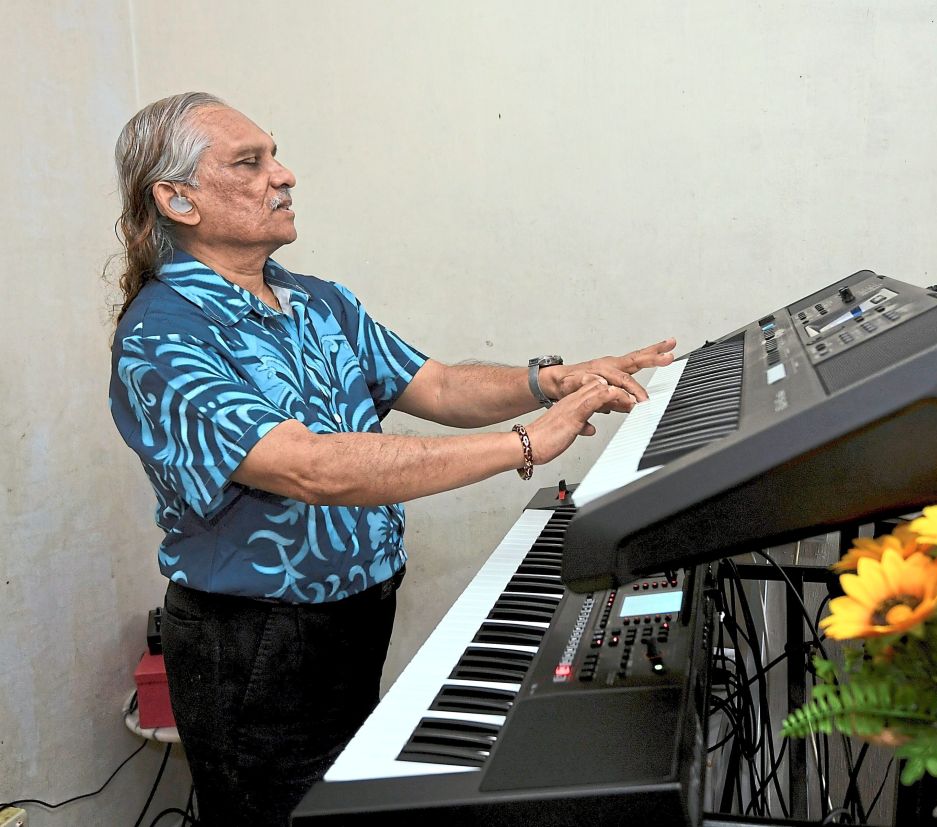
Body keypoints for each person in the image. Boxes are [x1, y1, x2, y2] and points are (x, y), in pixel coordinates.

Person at [108, 92, 675, 826]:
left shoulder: (317, 301)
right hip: (255, 646)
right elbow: (308, 465)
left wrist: (549, 380)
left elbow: (434, 383)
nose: (284, 175)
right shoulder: (161, 336)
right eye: (251, 162)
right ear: (178, 199)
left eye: (274, 154)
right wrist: (527, 444)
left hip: (353, 623)